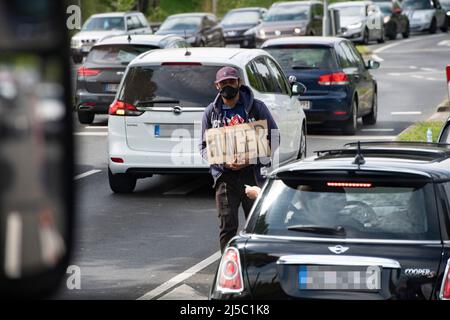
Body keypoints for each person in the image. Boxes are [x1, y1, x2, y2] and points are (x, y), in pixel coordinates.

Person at [200, 66, 279, 252]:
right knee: (227, 228)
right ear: (217, 86)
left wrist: (251, 159)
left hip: (253, 176)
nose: (228, 85)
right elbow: (203, 148)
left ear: (239, 83)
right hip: (225, 179)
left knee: (258, 225)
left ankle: (259, 265)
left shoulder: (256, 108)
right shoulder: (211, 112)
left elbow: (274, 138)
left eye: (231, 81)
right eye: (223, 83)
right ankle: (229, 268)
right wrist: (223, 163)